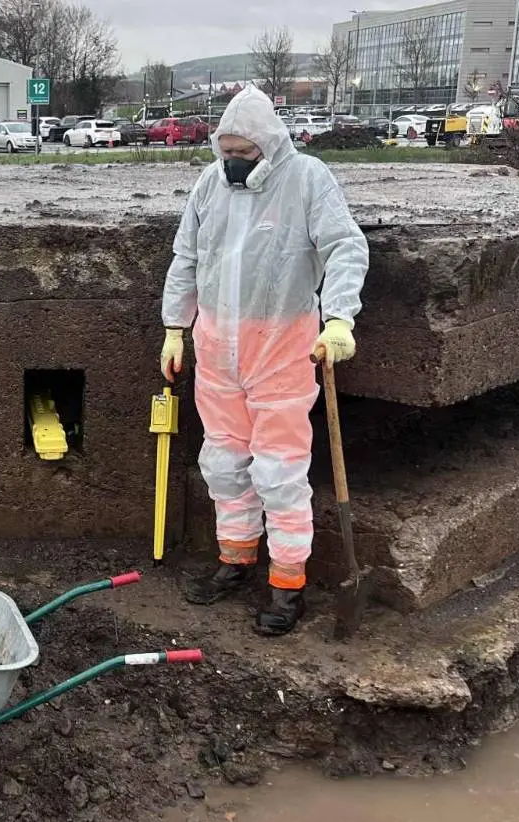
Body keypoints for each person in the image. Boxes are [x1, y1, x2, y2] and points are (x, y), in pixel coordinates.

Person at [158, 86, 369, 637]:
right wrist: (175, 329)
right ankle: (236, 558)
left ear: (268, 147)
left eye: (243, 152)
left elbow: (345, 246)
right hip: (217, 349)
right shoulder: (210, 184)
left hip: (280, 349)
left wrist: (339, 318)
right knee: (223, 463)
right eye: (224, 150)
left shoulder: (306, 180)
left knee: (278, 471)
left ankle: (288, 582)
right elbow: (187, 256)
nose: (232, 162)